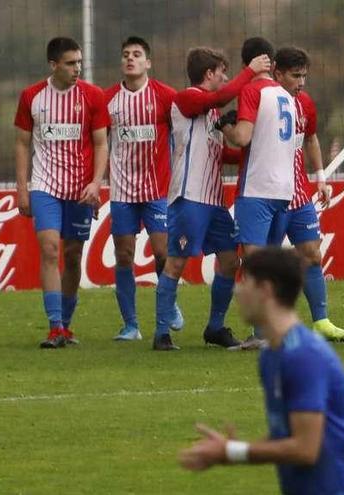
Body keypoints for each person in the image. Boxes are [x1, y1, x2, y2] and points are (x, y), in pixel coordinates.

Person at [178, 247, 344, 495]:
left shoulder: (302, 355)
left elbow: (305, 449)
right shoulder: (272, 355)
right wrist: (235, 449)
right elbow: (286, 436)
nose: (237, 291)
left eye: (245, 283)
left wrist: (232, 452)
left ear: (265, 290)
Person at [154, 47, 271, 351]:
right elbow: (218, 97)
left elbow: (222, 155)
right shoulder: (188, 98)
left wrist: (255, 149)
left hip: (214, 202)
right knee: (176, 264)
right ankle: (161, 333)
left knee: (231, 261)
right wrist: (250, 71)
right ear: (209, 74)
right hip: (189, 198)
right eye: (222, 72)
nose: (226, 77)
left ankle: (215, 327)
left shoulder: (213, 114)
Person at [14, 37, 110, 349]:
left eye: (79, 62)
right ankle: (54, 326)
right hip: (45, 186)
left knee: (72, 255)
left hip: (81, 190)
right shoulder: (31, 97)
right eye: (70, 63)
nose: (77, 68)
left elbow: (100, 143)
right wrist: (22, 189)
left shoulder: (93, 97)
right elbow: (21, 144)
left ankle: (66, 325)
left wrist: (96, 183)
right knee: (51, 249)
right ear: (53, 65)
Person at [266, 46, 344, 342]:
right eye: (295, 76)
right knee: (266, 261)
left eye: (304, 75)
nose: (301, 82)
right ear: (277, 73)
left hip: (299, 193)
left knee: (312, 254)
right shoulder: (262, 101)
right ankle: (262, 327)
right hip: (268, 195)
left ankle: (322, 321)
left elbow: (311, 138)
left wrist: (320, 177)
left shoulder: (304, 103)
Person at [218, 37, 297, 350]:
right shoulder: (287, 96)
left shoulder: (250, 90)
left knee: (255, 265)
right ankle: (275, 330)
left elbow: (242, 137)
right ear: (274, 66)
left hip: (257, 188)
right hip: (284, 189)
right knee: (271, 264)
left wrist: (224, 126)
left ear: (245, 66)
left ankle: (265, 333)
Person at [105, 36, 181, 342]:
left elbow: (182, 137)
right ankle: (131, 326)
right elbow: (98, 141)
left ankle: (169, 304)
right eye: (125, 55)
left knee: (163, 252)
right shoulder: (108, 99)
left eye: (137, 54)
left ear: (147, 62)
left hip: (158, 191)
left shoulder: (165, 96)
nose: (130, 59)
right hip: (122, 192)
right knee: (124, 255)